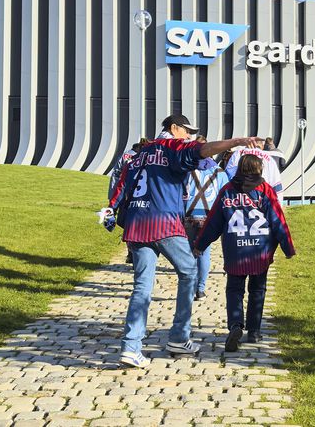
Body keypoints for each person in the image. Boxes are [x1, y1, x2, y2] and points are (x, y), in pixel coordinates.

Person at [108, 114, 257, 369]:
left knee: (142, 286)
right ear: (173, 128)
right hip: (163, 222)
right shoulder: (172, 147)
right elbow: (204, 149)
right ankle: (179, 336)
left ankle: (131, 347)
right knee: (189, 271)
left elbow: (122, 184)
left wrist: (111, 210)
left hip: (136, 224)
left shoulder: (140, 153)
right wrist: (237, 141)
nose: (188, 136)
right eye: (186, 131)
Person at [194, 152, 295, 352]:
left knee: (234, 290)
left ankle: (235, 325)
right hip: (259, 251)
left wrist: (200, 244)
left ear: (239, 168)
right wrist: (287, 247)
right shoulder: (265, 190)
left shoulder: (227, 191)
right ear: (259, 169)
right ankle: (255, 331)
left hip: (235, 251)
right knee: (257, 290)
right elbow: (277, 220)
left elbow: (213, 222)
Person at [182, 143, 229, 301]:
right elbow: (224, 197)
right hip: (209, 216)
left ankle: (188, 287)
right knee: (204, 253)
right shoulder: (219, 172)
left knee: (188, 254)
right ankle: (200, 289)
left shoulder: (187, 170)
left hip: (188, 215)